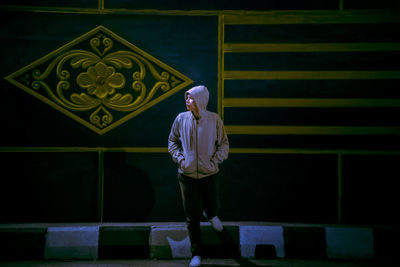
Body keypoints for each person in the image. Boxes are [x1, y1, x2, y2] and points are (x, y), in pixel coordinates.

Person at [168, 85, 229, 267]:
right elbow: (172, 141)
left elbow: (224, 144)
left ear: (200, 100)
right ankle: (197, 254)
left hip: (209, 173)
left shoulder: (213, 120)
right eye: (186, 98)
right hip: (187, 176)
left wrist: (215, 161)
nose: (187, 101)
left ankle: (211, 214)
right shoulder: (181, 119)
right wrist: (181, 160)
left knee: (212, 205)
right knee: (192, 217)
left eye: (190, 98)